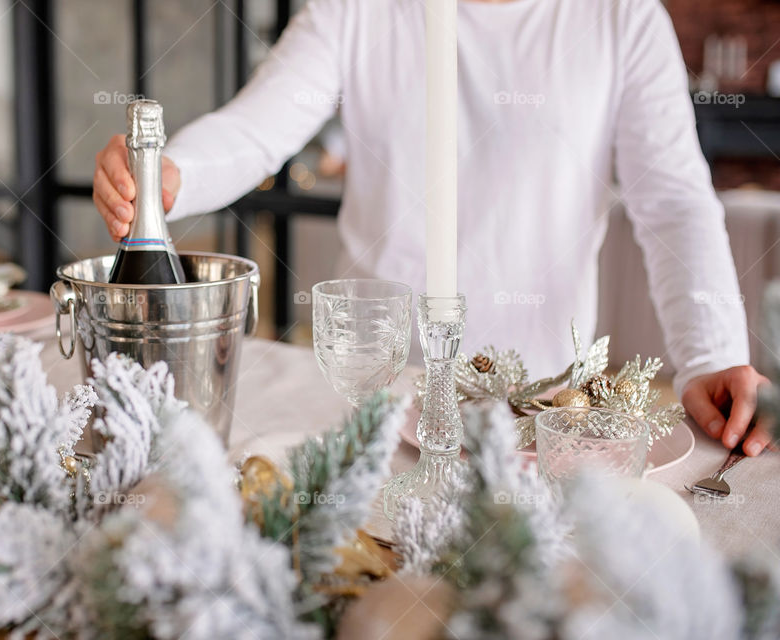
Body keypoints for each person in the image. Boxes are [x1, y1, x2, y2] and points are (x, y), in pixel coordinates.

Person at [92, 0, 773, 456]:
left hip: (543, 413)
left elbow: (674, 201)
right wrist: (172, 172)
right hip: (373, 401)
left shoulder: (619, 16)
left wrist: (711, 353)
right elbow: (258, 127)